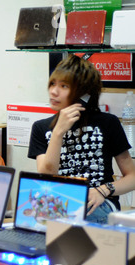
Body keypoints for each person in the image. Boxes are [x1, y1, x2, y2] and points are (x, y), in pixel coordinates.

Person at [28, 54, 135, 224]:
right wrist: (58, 133)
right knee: (27, 216)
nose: (54, 91)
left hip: (98, 202)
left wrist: (103, 190)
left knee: (76, 217)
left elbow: (132, 177)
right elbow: (47, 175)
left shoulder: (108, 123)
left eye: (64, 86)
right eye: (53, 84)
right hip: (57, 203)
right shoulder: (41, 128)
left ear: (83, 94)